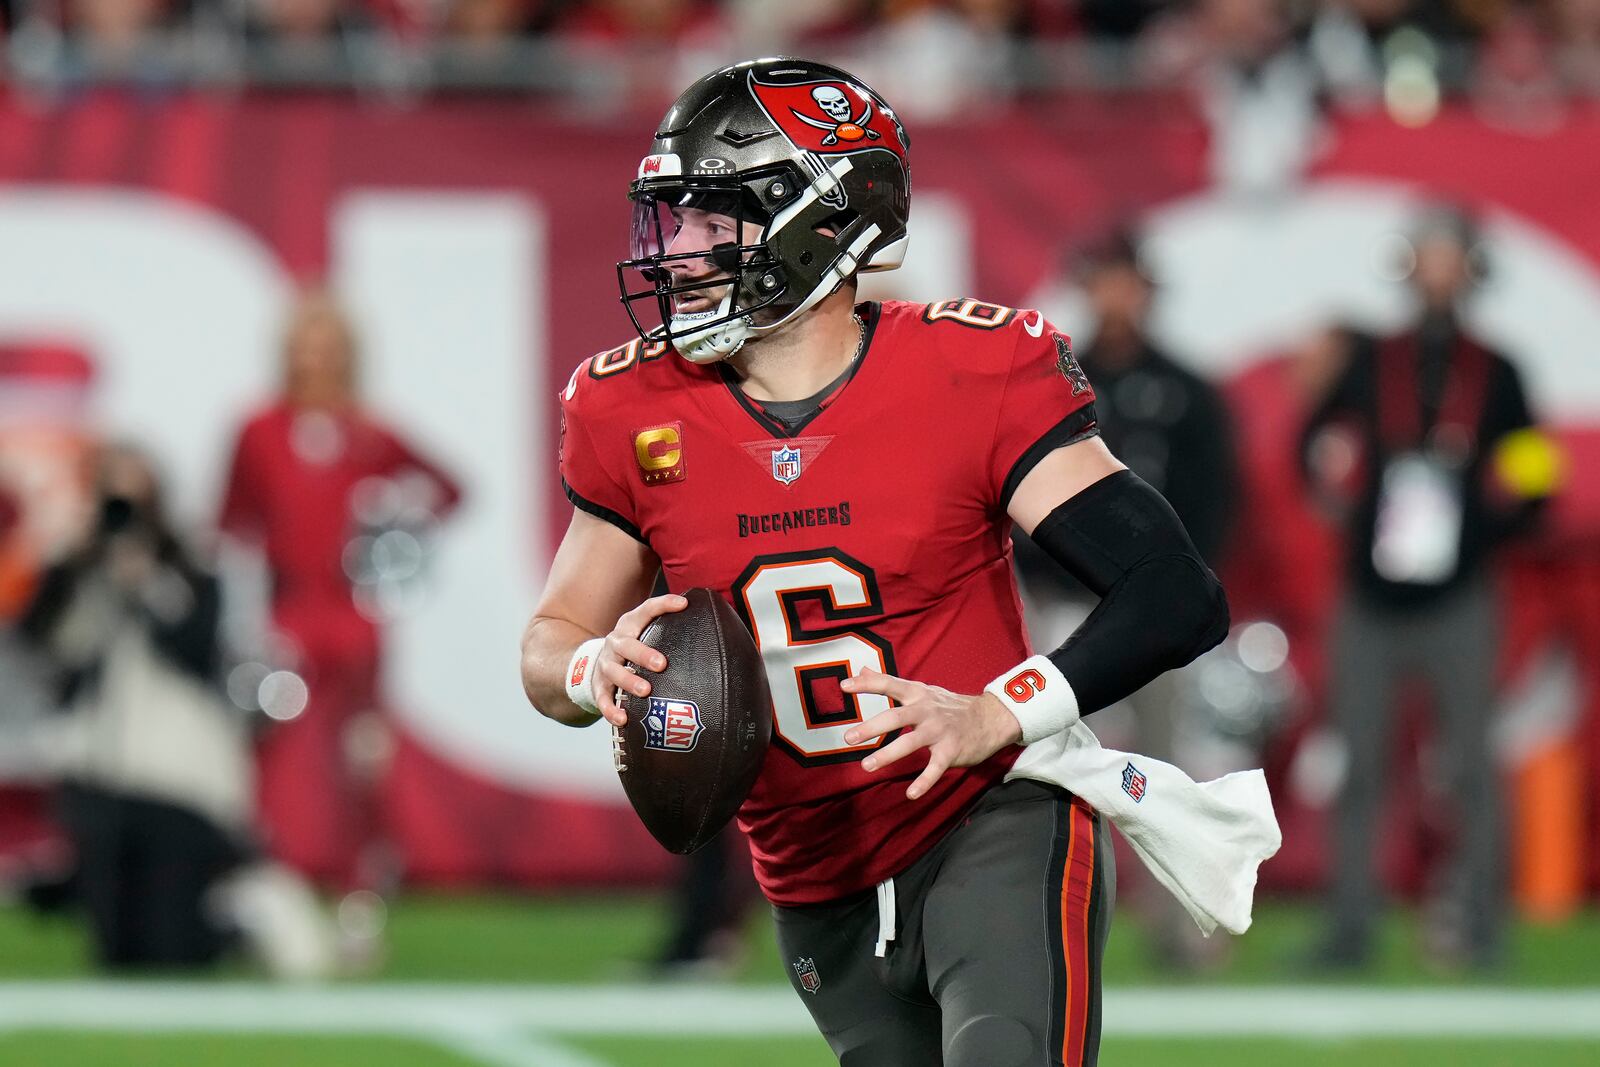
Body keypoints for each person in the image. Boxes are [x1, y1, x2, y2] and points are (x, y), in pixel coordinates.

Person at [520, 58, 1232, 1066]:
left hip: (991, 810)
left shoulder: (966, 373)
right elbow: (549, 647)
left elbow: (1173, 590)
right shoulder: (630, 410)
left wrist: (997, 709)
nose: (676, 251)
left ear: (817, 216)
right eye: (671, 219)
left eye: (710, 219)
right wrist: (598, 670)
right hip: (813, 875)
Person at [1301, 202, 1557, 971]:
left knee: (1472, 766)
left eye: (1452, 257)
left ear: (1471, 270)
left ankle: (1481, 926)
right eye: (1429, 256)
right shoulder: (1371, 359)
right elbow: (1309, 438)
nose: (1439, 271)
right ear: (1410, 267)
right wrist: (1347, 509)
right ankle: (1350, 928)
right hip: (1371, 596)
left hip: (1459, 597)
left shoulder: (1498, 368)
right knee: (1361, 764)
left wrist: (1489, 532)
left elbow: (1538, 466)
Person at [1015, 226, 1239, 969]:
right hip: (1065, 603)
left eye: (1126, 281)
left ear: (1145, 289)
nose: (1115, 296)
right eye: (1104, 279)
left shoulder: (1185, 388)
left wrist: (1179, 585)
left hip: (1148, 609)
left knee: (1164, 767)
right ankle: (1049, 926)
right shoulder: (1048, 378)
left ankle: (1185, 931)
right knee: (1051, 767)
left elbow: (1213, 497)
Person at [219, 290, 461, 888]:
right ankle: (264, 880)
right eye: (306, 347)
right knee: (270, 754)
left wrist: (397, 528)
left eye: (328, 349)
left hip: (352, 615)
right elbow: (230, 523)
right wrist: (241, 614)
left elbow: (448, 487)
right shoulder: (260, 430)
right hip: (286, 615)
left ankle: (364, 880)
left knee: (361, 756)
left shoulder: (368, 434)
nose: (316, 361)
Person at [17, 443, 249, 969]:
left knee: (169, 945)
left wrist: (148, 581)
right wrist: (75, 567)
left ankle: (236, 928)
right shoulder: (78, 566)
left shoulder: (189, 563)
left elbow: (197, 648)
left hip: (174, 772)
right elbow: (40, 645)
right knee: (114, 948)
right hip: (99, 766)